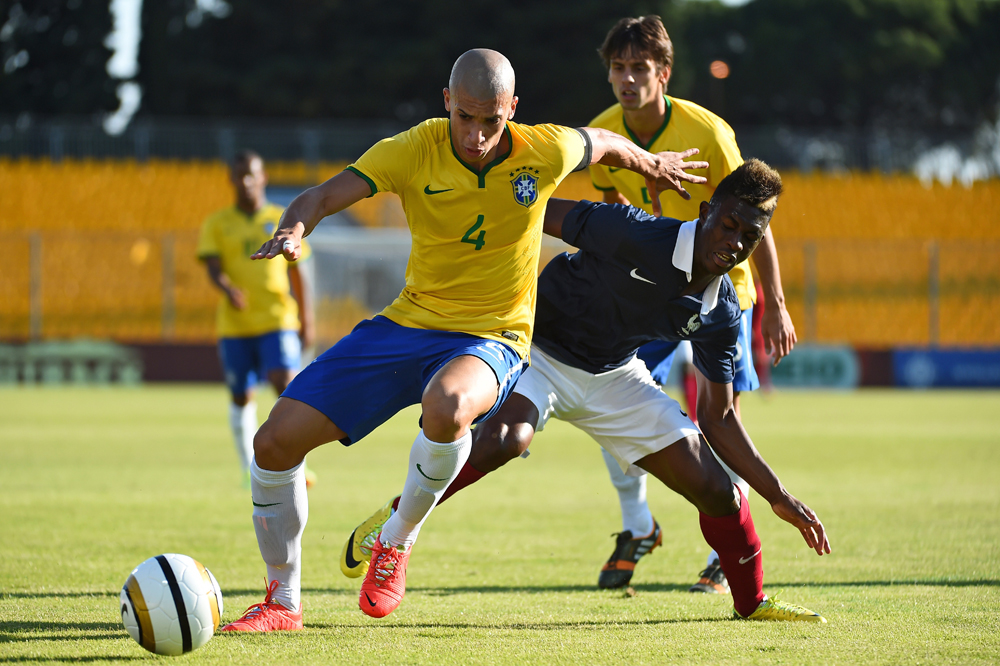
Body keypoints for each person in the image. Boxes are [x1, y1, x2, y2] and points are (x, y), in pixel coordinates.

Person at [220, 48, 710, 631]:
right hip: (407, 324)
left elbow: (604, 143)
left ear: (512, 110)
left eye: (492, 121)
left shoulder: (545, 148)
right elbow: (323, 196)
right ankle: (282, 602)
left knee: (449, 406)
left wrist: (649, 166)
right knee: (273, 444)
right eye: (466, 117)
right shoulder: (412, 148)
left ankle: (396, 541)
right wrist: (294, 229)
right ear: (447, 101)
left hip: (493, 335)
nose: (477, 135)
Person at [345, 159, 831, 622]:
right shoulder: (634, 231)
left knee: (717, 491)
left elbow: (720, 417)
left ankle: (751, 603)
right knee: (505, 439)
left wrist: (777, 494)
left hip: (616, 376)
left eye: (750, 236)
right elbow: (532, 211)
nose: (735, 242)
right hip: (537, 351)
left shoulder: (722, 310)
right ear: (706, 213)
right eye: (728, 225)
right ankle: (394, 528)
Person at [586, 15, 797, 594]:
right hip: (647, 295)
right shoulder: (602, 135)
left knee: (721, 419)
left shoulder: (708, 132)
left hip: (721, 295)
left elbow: (759, 220)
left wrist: (776, 302)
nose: (628, 79)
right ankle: (638, 525)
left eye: (640, 68)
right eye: (618, 68)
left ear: (664, 73)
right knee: (608, 406)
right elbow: (609, 223)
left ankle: (722, 551)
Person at [196, 150, 315, 488]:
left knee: (288, 387)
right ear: (232, 180)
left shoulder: (283, 220)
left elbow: (300, 274)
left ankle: (295, 466)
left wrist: (308, 320)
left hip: (278, 320)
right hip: (235, 326)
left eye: (252, 174)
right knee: (241, 396)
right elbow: (212, 267)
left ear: (263, 177)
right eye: (240, 175)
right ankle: (247, 468)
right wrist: (228, 289)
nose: (246, 181)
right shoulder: (217, 223)